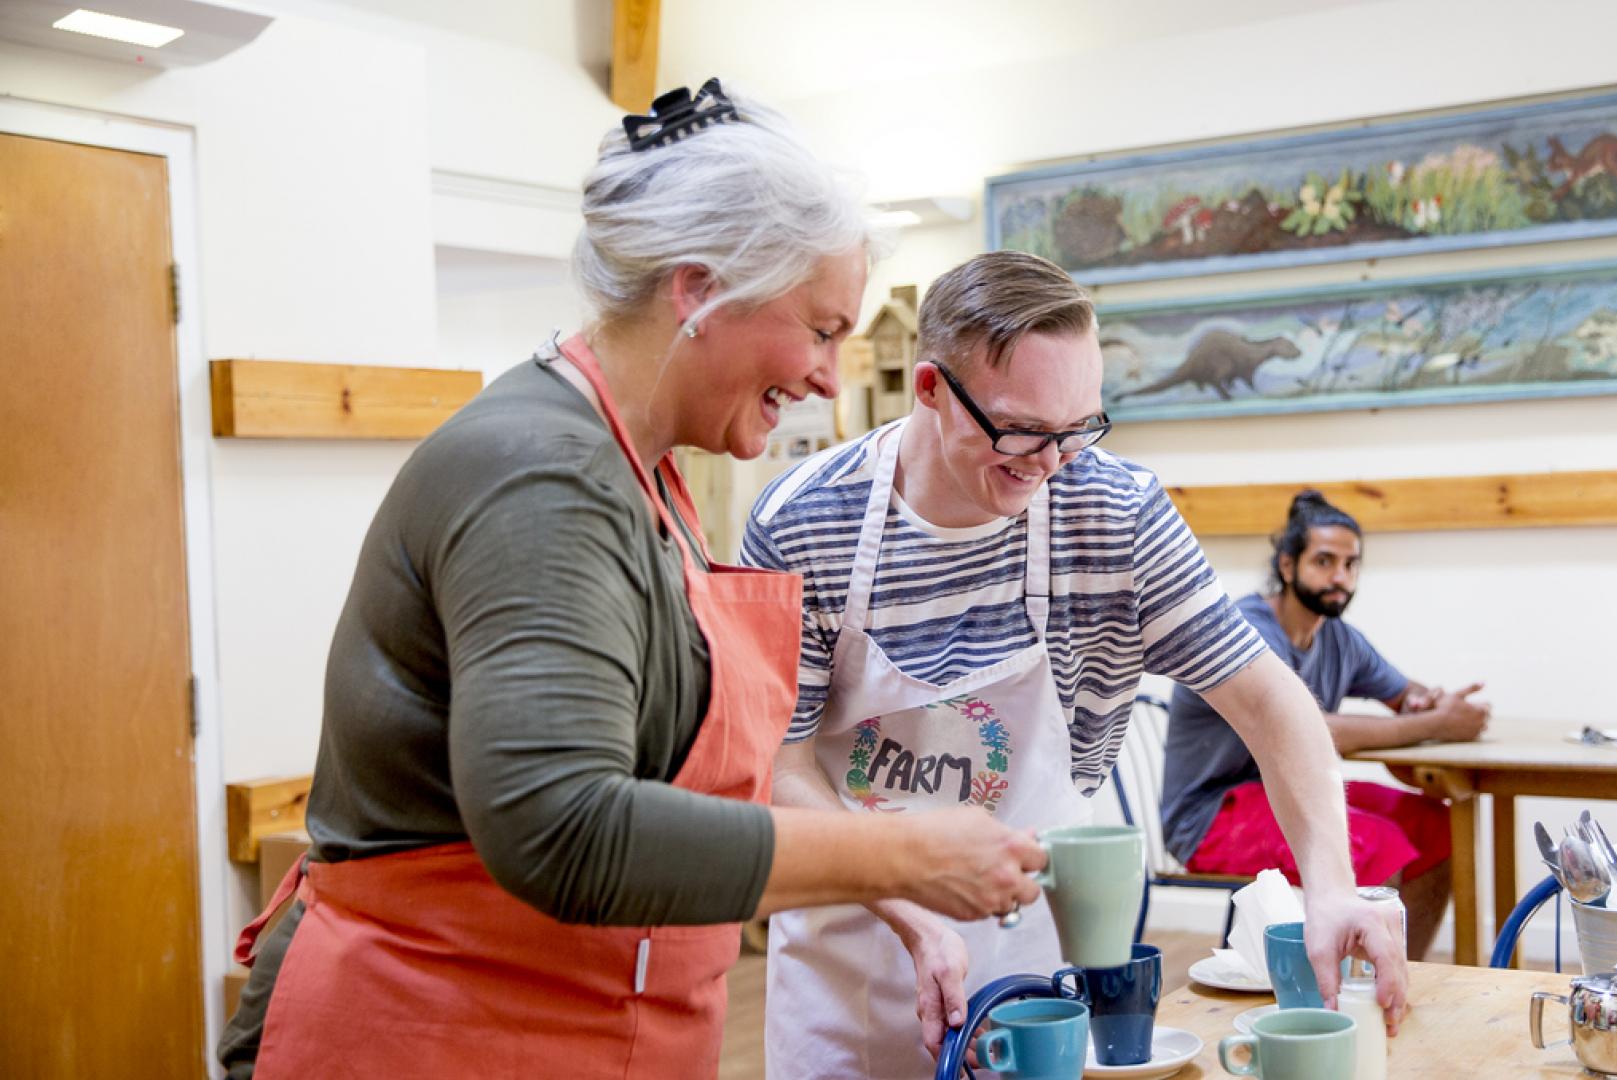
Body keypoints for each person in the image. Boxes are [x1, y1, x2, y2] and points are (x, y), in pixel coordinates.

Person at [216, 81, 1044, 1079]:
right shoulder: (543, 477)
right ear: (696, 290)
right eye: (820, 330)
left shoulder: (643, 472)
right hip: (433, 1029)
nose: (831, 377)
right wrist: (906, 856)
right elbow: (561, 826)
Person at [743, 251, 1408, 1079]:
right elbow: (781, 764)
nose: (1053, 462)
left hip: (1035, 958)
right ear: (930, 389)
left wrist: (1333, 884)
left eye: (1080, 426)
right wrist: (913, 916)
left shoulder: (1114, 511)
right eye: (1022, 429)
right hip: (853, 955)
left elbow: (1270, 703)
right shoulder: (807, 522)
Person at [1158, 490, 1488, 960]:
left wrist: (1431, 703)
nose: (1341, 577)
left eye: (1351, 564)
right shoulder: (1243, 628)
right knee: (1379, 845)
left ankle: (1400, 973)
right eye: (1325, 561)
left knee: (1436, 826)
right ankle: (1358, 999)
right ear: (1287, 566)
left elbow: (1406, 696)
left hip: (1288, 791)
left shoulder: (1338, 638)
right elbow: (1310, 731)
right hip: (1212, 814)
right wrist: (1438, 722)